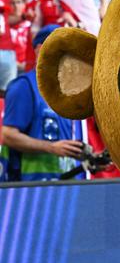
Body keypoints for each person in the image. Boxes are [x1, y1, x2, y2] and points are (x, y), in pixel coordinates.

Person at [2, 24, 84, 181]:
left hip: (69, 186)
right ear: (39, 49)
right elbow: (8, 135)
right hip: (33, 189)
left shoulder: (70, 90)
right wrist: (51, 148)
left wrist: (91, 159)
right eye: (58, 47)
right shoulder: (24, 86)